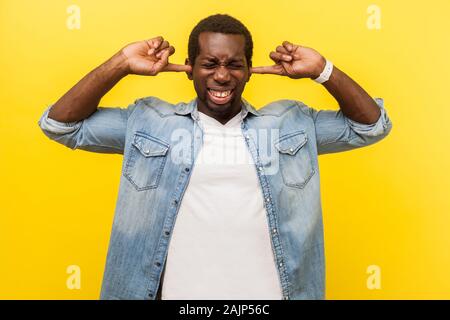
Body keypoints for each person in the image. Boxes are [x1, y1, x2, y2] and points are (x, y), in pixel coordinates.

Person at [38, 14, 392, 300]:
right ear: (189, 66)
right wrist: (121, 63)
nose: (222, 76)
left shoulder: (289, 124)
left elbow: (371, 126)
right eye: (209, 63)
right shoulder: (149, 121)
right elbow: (60, 125)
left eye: (234, 64)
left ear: (249, 69)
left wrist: (322, 70)